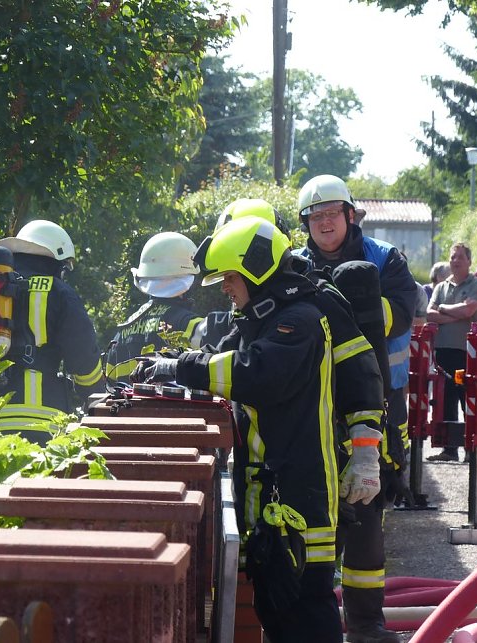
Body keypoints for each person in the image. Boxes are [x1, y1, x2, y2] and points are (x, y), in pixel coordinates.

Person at [132, 216, 353, 642]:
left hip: (300, 494)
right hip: (277, 491)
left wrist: (180, 367)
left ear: (255, 271)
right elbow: (223, 358)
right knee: (277, 609)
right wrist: (173, 372)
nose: (225, 288)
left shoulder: (298, 321)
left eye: (230, 277)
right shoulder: (265, 319)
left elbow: (256, 373)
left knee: (306, 609)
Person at [296, 174, 416, 643]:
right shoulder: (294, 265)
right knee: (316, 511)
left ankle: (366, 624)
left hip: (376, 398)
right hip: (314, 404)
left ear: (351, 215)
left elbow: (404, 310)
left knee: (368, 510)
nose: (324, 224)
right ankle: (316, 618)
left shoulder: (384, 259)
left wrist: (359, 312)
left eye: (331, 214)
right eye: (315, 217)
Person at [0, 220, 104, 443]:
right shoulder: (59, 291)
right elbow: (83, 360)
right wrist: (98, 397)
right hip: (39, 420)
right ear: (57, 261)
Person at [106, 232, 209, 383]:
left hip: (128, 406)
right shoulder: (189, 324)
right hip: (174, 407)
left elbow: (110, 386)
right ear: (188, 280)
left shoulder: (122, 332)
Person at [425, 243, 477, 462]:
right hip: (444, 350)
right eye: (453, 257)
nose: (456, 261)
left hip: (467, 352)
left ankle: (472, 450)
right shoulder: (441, 287)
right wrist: (455, 314)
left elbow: (469, 309)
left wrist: (444, 309)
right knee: (446, 398)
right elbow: (429, 314)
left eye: (460, 257)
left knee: (467, 398)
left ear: (469, 261)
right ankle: (449, 449)